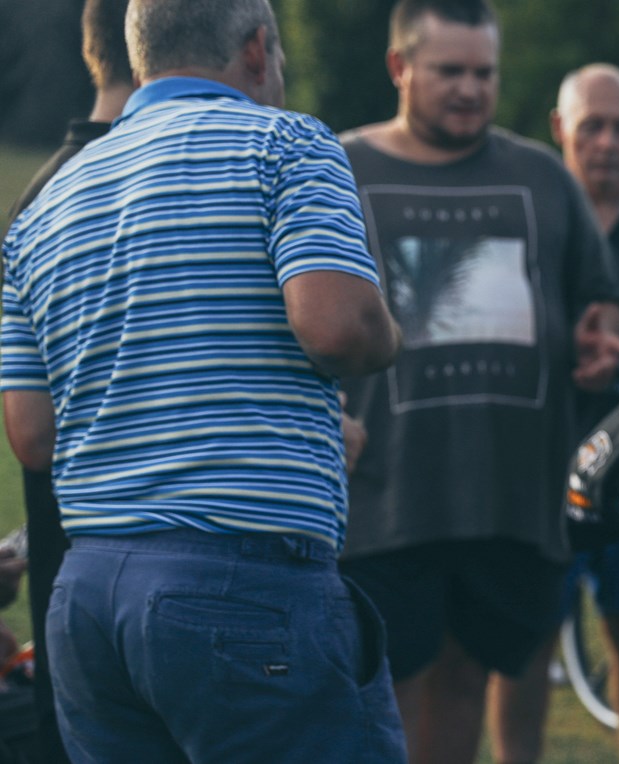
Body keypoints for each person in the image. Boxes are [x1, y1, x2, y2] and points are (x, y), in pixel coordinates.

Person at [1, 0, 406, 760]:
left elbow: (32, 434)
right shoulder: (288, 145)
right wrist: (390, 331)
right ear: (257, 51)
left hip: (89, 599)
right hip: (243, 586)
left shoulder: (42, 208)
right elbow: (338, 326)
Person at [334, 1, 619, 762]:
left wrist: (603, 341)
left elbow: (602, 308)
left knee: (469, 681)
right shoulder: (339, 170)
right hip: (383, 495)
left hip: (508, 495)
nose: (469, 88)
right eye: (449, 71)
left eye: (484, 73)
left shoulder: (540, 175)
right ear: (400, 68)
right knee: (382, 698)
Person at [487, 62, 619, 764]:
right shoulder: (526, 209)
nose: (606, 141)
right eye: (590, 125)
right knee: (528, 633)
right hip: (538, 455)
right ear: (559, 129)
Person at [3, 2, 133, 760]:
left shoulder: (38, 198)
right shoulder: (192, 181)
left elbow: (31, 432)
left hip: (70, 584)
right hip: (195, 570)